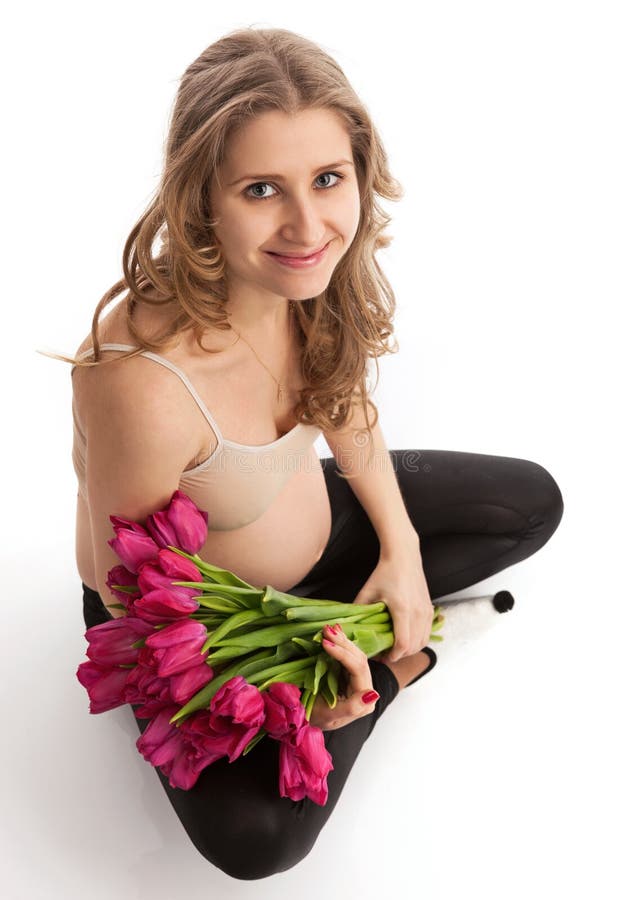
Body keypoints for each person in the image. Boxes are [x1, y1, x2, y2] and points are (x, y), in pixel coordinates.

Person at [44, 27, 564, 880]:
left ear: (359, 169)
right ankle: (397, 674)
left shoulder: (313, 275)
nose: (307, 224)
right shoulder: (142, 380)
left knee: (531, 504)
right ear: (201, 196)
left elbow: (344, 403)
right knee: (257, 844)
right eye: (261, 189)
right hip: (196, 629)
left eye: (328, 179)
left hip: (313, 540)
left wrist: (397, 549)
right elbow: (128, 592)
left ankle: (376, 638)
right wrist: (287, 680)